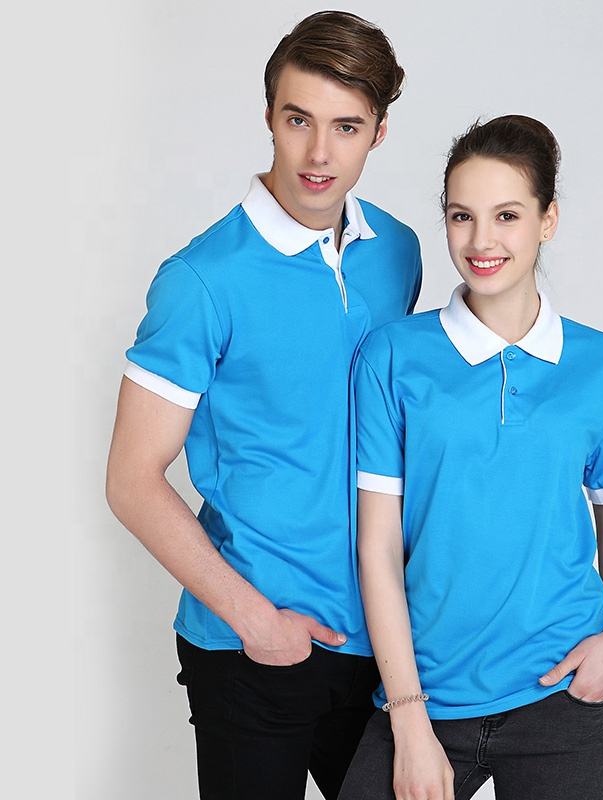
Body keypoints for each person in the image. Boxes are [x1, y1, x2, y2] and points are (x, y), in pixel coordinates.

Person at [105, 11, 421, 800]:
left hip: (382, 639)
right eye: (298, 120)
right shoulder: (202, 281)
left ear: (379, 133)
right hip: (253, 646)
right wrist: (256, 621)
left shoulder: (400, 252)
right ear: (269, 116)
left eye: (347, 127)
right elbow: (131, 480)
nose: (319, 155)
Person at [339, 115, 603, 800]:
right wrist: (408, 718)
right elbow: (377, 547)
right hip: (427, 696)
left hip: (568, 697)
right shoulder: (394, 356)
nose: (481, 241)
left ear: (547, 220)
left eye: (507, 215)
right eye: (462, 216)